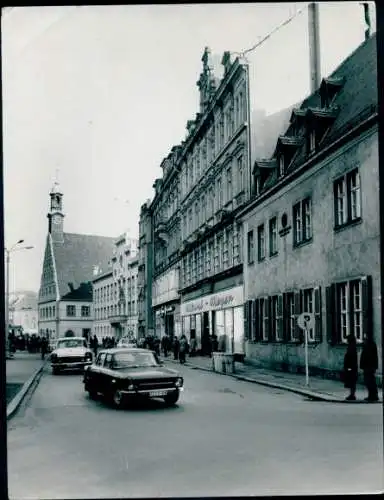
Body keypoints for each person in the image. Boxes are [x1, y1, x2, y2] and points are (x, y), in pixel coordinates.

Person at [360, 336, 379, 402]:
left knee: (370, 381)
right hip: (368, 366)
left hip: (369, 367)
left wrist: (366, 366)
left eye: (365, 339)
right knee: (369, 381)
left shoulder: (370, 346)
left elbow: (368, 357)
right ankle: (371, 395)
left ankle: (373, 395)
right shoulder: (368, 345)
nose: (363, 340)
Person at [343, 334, 358, 401]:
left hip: (351, 367)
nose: (346, 341)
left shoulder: (352, 347)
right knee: (351, 381)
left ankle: (352, 395)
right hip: (351, 367)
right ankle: (352, 394)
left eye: (347, 339)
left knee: (352, 381)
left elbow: (351, 358)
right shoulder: (351, 346)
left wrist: (349, 367)